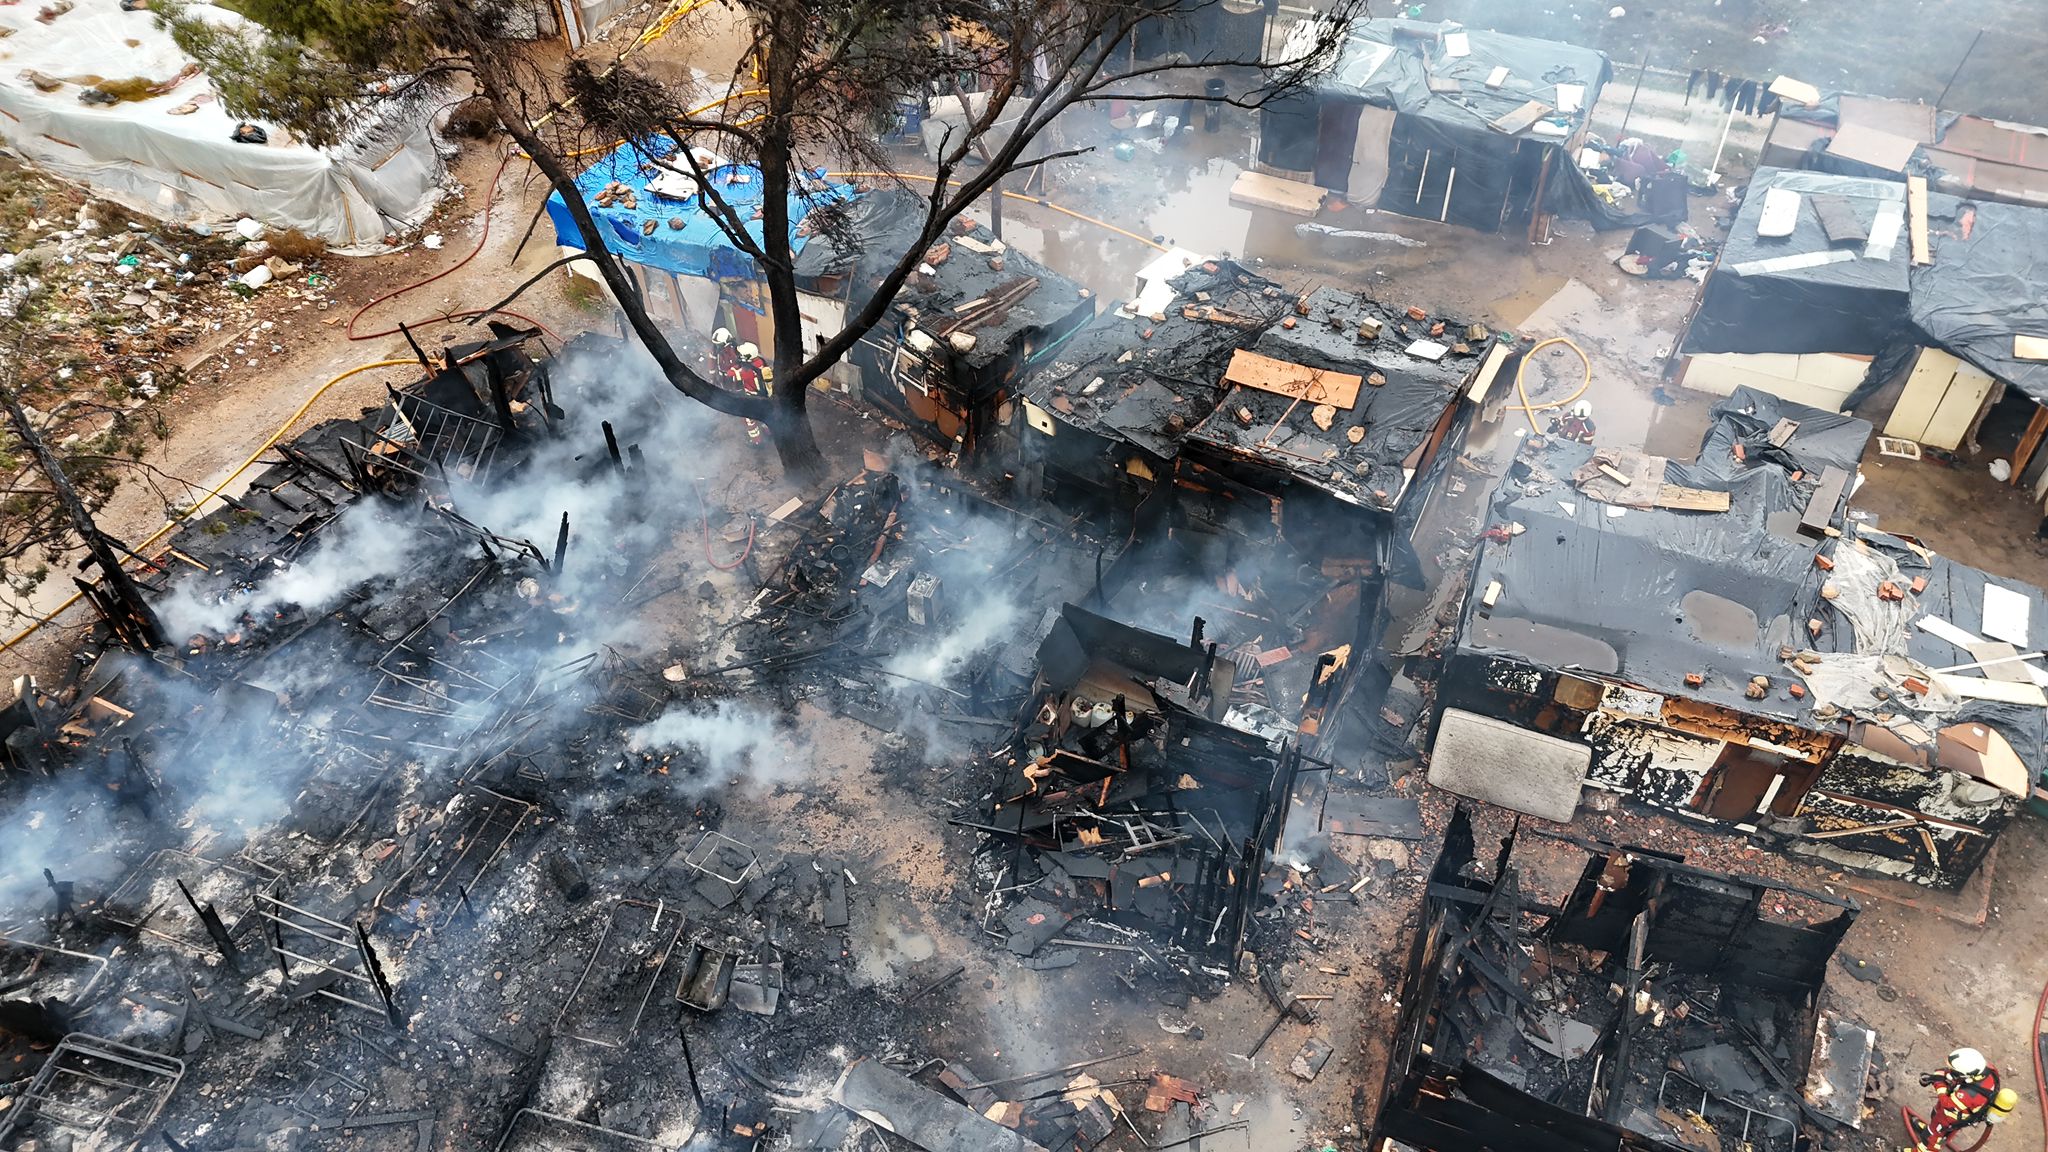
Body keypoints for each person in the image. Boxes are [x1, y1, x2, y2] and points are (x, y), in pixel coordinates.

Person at [1920, 1047, 2016, 1144]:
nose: (1949, 1070)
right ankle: (1932, 1129)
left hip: (1951, 1116)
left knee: (1931, 1136)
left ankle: (1928, 1144)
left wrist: (1938, 1083)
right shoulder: (1987, 1069)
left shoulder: (1968, 1095)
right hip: (1958, 1106)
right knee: (1936, 1117)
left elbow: (1947, 1103)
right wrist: (1941, 1074)